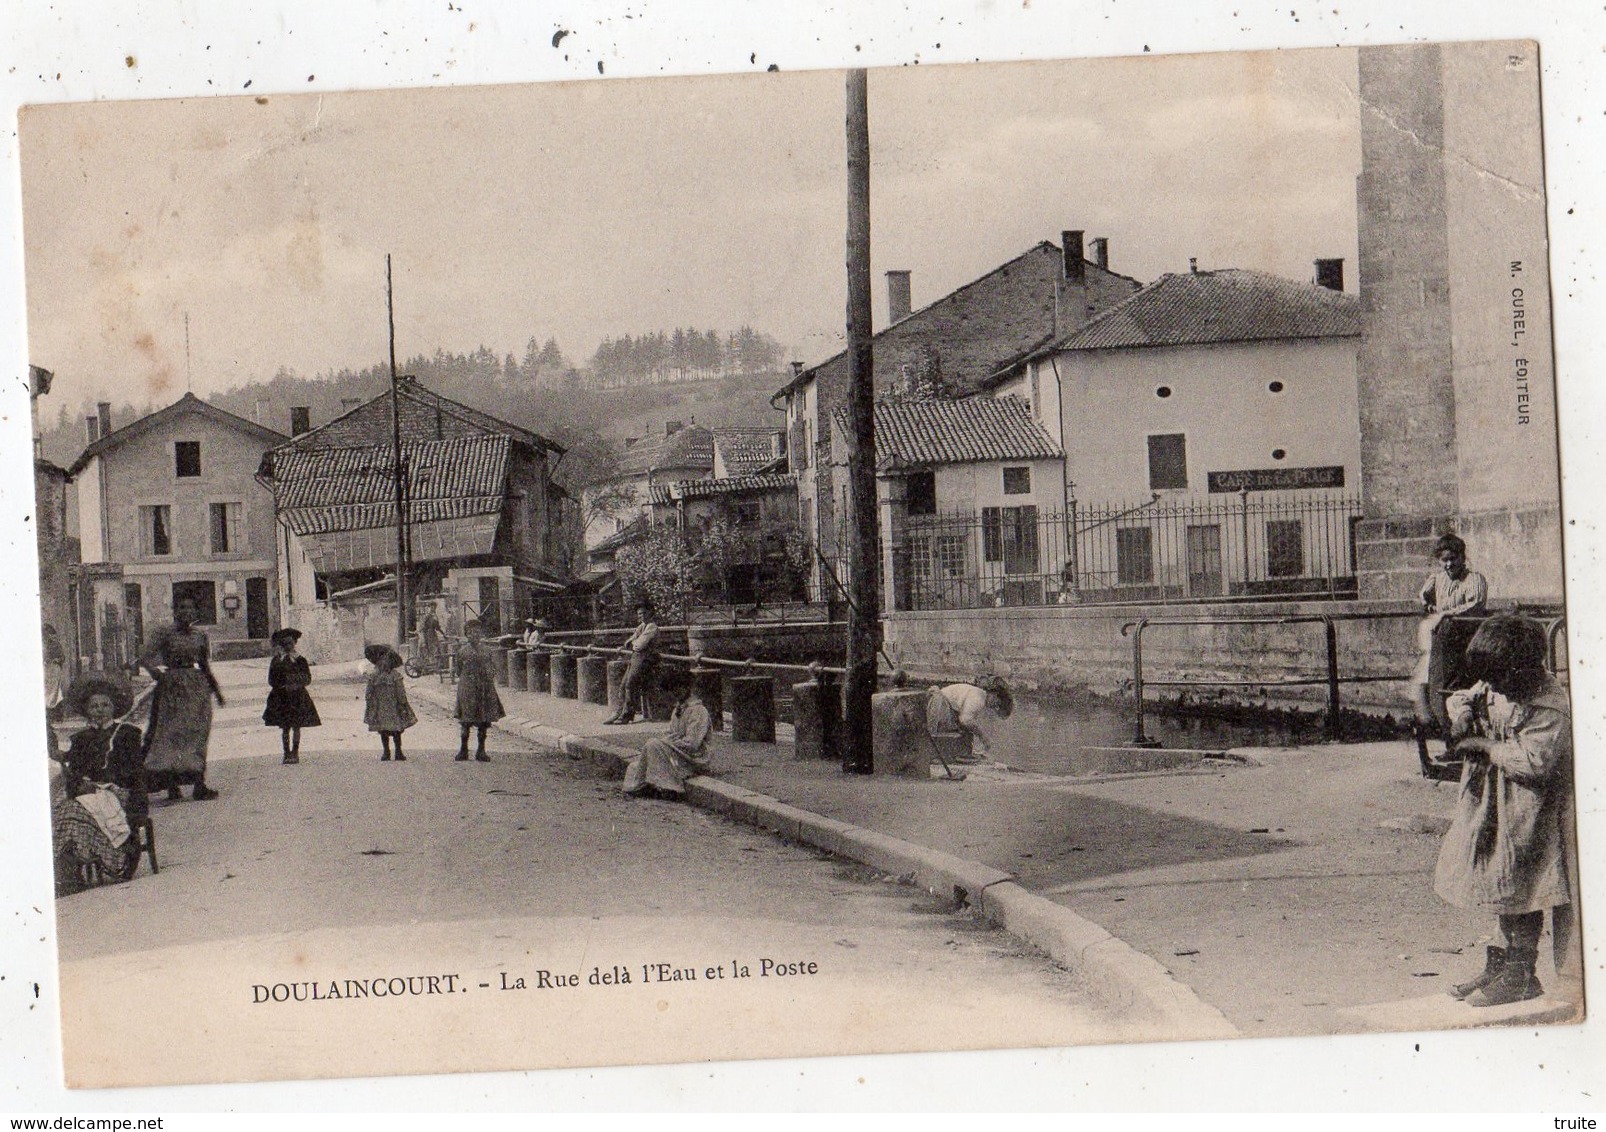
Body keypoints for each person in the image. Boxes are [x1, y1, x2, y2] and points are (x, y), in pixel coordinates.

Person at [1433, 615, 1577, 1007]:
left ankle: (1521, 973)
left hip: (1527, 811)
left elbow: (1535, 763)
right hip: (1495, 804)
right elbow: (1466, 694)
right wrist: (1461, 712)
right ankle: (1498, 964)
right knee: (1498, 883)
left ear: (1524, 670)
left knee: (1520, 889)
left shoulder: (1548, 705)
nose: (1492, 687)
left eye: (1499, 680)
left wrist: (1484, 746)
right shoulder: (1499, 681)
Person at [52, 675, 145, 890]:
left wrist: (110, 786)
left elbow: (135, 773)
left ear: (114, 708)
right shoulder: (80, 739)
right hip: (88, 797)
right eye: (94, 706)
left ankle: (90, 865)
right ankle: (69, 869)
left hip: (118, 794)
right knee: (66, 810)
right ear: (87, 710)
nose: (100, 710)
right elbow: (74, 776)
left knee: (73, 812)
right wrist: (81, 785)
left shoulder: (128, 734)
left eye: (105, 705)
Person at [138, 596, 225, 802]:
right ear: (175, 611)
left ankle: (199, 785)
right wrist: (155, 674)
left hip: (196, 688)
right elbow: (144, 657)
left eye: (191, 608)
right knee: (171, 736)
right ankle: (171, 785)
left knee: (197, 734)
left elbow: (204, 665)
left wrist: (216, 690)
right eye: (183, 607)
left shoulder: (200, 636)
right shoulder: (165, 633)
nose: (187, 612)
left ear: (196, 613)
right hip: (171, 688)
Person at [1411, 533, 1489, 732]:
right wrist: (1428, 606)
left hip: (1465, 643)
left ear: (1462, 557)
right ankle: (1448, 738)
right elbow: (1423, 597)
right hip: (1443, 645)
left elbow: (1475, 605)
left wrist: (1446, 613)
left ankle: (1464, 740)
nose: (1448, 564)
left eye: (1453, 558)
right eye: (1444, 560)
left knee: (1461, 691)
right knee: (1439, 689)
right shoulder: (1437, 580)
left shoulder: (1474, 579)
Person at [621, 673, 711, 800]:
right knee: (636, 765)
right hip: (679, 753)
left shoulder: (698, 710)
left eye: (678, 689)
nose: (676, 693)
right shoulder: (678, 709)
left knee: (653, 744)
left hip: (694, 757)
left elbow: (693, 743)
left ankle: (670, 788)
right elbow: (671, 733)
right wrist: (668, 741)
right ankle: (644, 786)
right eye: (673, 690)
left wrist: (669, 742)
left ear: (687, 688)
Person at [262, 628, 320, 765]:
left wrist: (296, 684)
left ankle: (295, 752)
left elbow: (307, 678)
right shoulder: (276, 661)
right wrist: (281, 685)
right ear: (281, 645)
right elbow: (271, 680)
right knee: (285, 726)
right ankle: (286, 752)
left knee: (296, 726)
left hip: (297, 697)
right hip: (281, 697)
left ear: (294, 644)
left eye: (290, 643)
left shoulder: (300, 660)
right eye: (285, 644)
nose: (288, 647)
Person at [926, 675, 1014, 762]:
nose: (994, 707)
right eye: (996, 703)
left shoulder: (979, 695)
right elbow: (965, 720)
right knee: (962, 729)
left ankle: (956, 755)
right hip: (940, 705)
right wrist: (982, 736)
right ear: (993, 694)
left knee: (966, 730)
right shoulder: (979, 699)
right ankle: (940, 756)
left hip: (946, 708)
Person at [454, 620, 503, 761]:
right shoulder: (462, 652)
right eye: (471, 632)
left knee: (483, 721)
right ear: (467, 634)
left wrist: (488, 675)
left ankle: (481, 751)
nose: (475, 635)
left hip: (484, 688)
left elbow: (494, 668)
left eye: (477, 632)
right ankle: (463, 750)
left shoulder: (487, 651)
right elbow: (458, 670)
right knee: (465, 721)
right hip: (467, 689)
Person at [603, 603, 659, 725]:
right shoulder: (641, 627)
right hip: (636, 658)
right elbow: (628, 642)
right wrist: (634, 642)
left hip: (646, 659)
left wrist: (633, 642)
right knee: (623, 685)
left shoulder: (652, 627)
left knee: (630, 684)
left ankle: (627, 715)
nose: (642, 616)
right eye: (639, 614)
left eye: (644, 613)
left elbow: (639, 645)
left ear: (650, 613)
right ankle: (618, 713)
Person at [364, 644, 417, 761]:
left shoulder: (380, 676)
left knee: (392, 730)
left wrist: (402, 703)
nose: (384, 664)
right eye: (381, 662)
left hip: (390, 706)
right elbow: (369, 692)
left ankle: (393, 752)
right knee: (388, 730)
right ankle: (391, 751)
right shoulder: (385, 676)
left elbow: (400, 692)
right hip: (387, 706)